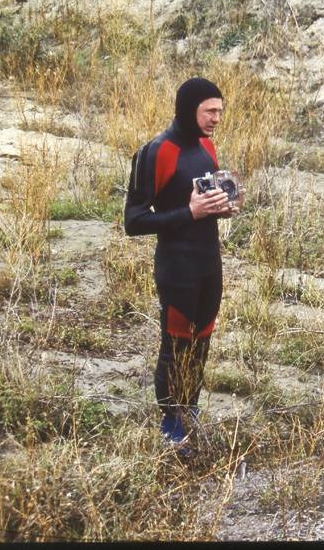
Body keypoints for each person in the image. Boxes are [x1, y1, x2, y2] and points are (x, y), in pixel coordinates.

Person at [124, 77, 242, 453]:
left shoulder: (206, 147)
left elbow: (201, 207)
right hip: (177, 265)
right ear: (189, 110)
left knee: (202, 341)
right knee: (175, 346)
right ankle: (170, 424)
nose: (217, 118)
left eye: (220, 111)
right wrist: (189, 212)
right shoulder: (155, 152)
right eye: (210, 111)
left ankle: (189, 411)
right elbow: (134, 221)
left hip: (209, 262)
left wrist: (219, 210)